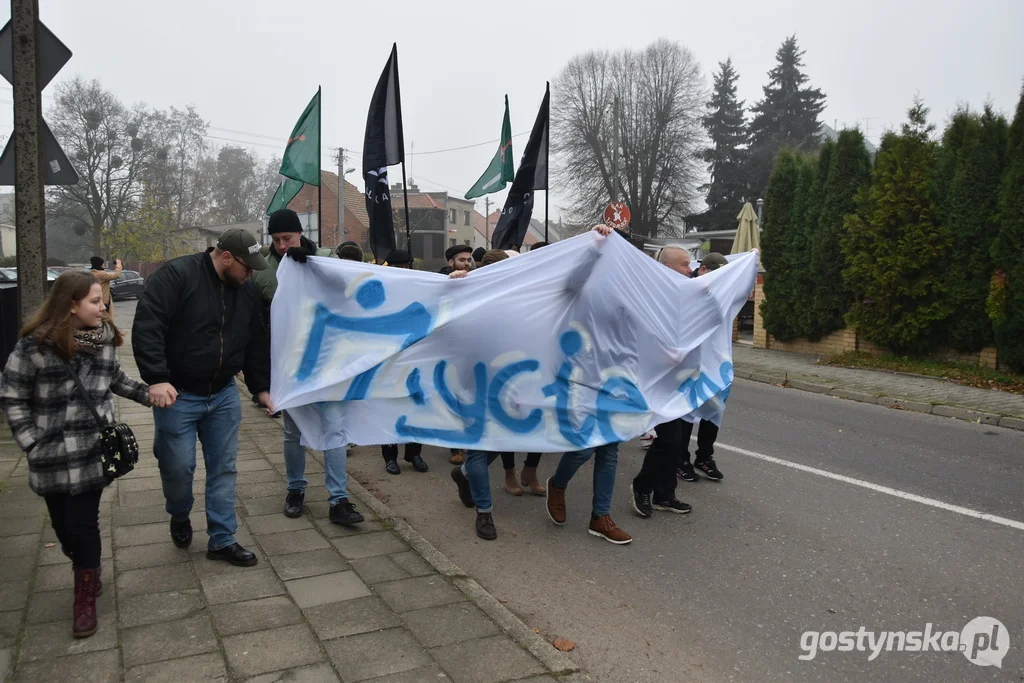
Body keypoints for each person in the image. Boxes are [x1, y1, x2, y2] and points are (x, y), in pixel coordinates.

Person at [0, 272, 154, 638]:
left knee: (84, 524)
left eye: (101, 301)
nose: (103, 307)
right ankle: (86, 565)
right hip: (50, 454)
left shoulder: (105, 343)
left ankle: (84, 593)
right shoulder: (33, 347)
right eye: (94, 301)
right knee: (63, 527)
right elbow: (13, 396)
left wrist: (152, 394)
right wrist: (31, 443)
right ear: (70, 304)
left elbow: (117, 379)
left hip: (90, 454)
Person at [132, 228, 271, 567]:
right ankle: (179, 514)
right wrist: (157, 379)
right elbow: (148, 326)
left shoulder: (245, 289)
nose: (251, 274)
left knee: (224, 469)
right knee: (178, 468)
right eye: (247, 267)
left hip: (223, 394)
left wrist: (261, 387)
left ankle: (222, 539)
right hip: (178, 395)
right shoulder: (177, 276)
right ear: (226, 258)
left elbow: (256, 340)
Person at [251, 209, 364, 527]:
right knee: (293, 432)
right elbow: (257, 323)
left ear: (300, 233)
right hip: (288, 365)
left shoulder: (327, 257)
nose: (283, 245)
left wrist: (313, 262)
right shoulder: (262, 269)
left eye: (287, 238)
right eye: (276, 240)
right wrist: (262, 380)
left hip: (328, 360)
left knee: (335, 427)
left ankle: (339, 499)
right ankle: (295, 490)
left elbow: (351, 288)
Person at [544, 226, 635, 545]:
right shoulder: (585, 282)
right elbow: (569, 282)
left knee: (609, 449)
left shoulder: (631, 288)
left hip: (617, 378)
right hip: (581, 375)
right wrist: (596, 244)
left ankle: (600, 516)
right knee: (583, 445)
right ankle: (557, 483)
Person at [676, 252, 728, 484]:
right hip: (690, 361)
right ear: (704, 269)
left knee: (714, 409)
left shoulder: (721, 290)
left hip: (715, 361)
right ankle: (681, 460)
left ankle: (704, 457)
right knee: (686, 410)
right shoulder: (687, 288)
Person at [378, 248, 429, 474]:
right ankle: (390, 457)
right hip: (388, 359)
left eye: (404, 266)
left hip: (415, 357)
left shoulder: (421, 287)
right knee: (389, 407)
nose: (401, 270)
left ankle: (414, 453)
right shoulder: (382, 290)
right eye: (397, 266)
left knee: (416, 406)